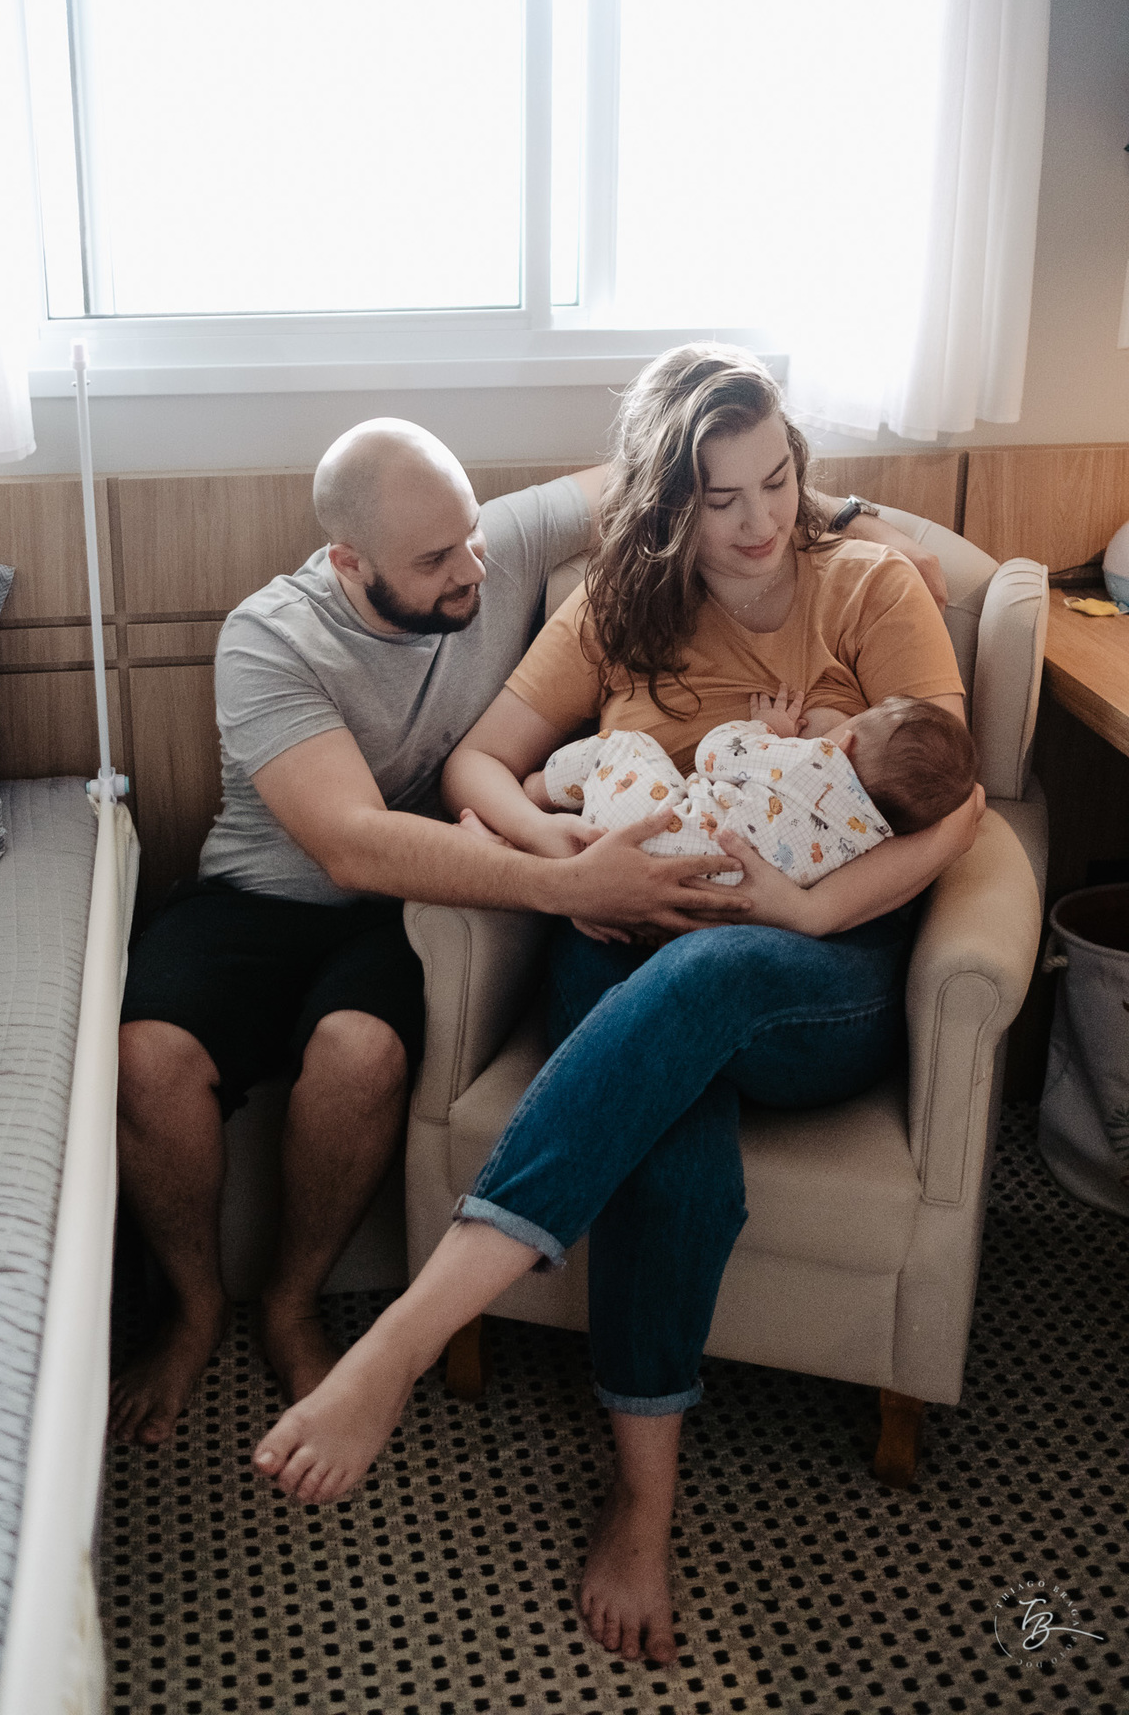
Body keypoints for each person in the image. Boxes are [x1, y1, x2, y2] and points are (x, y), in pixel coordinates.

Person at [250, 346, 984, 1669]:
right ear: (665, 506)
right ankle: (645, 1507)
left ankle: (410, 1334)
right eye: (720, 498)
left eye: (779, 480)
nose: (762, 522)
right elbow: (483, 764)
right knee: (675, 1158)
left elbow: (965, 796)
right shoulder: (616, 612)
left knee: (708, 977)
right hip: (626, 927)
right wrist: (569, 861)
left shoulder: (871, 586)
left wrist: (806, 913)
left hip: (809, 978)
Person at [510, 691, 979, 889]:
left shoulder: (813, 759)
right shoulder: (870, 841)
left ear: (847, 740)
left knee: (626, 745)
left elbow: (713, 755)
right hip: (698, 897)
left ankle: (535, 792)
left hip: (650, 828)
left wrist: (769, 729)